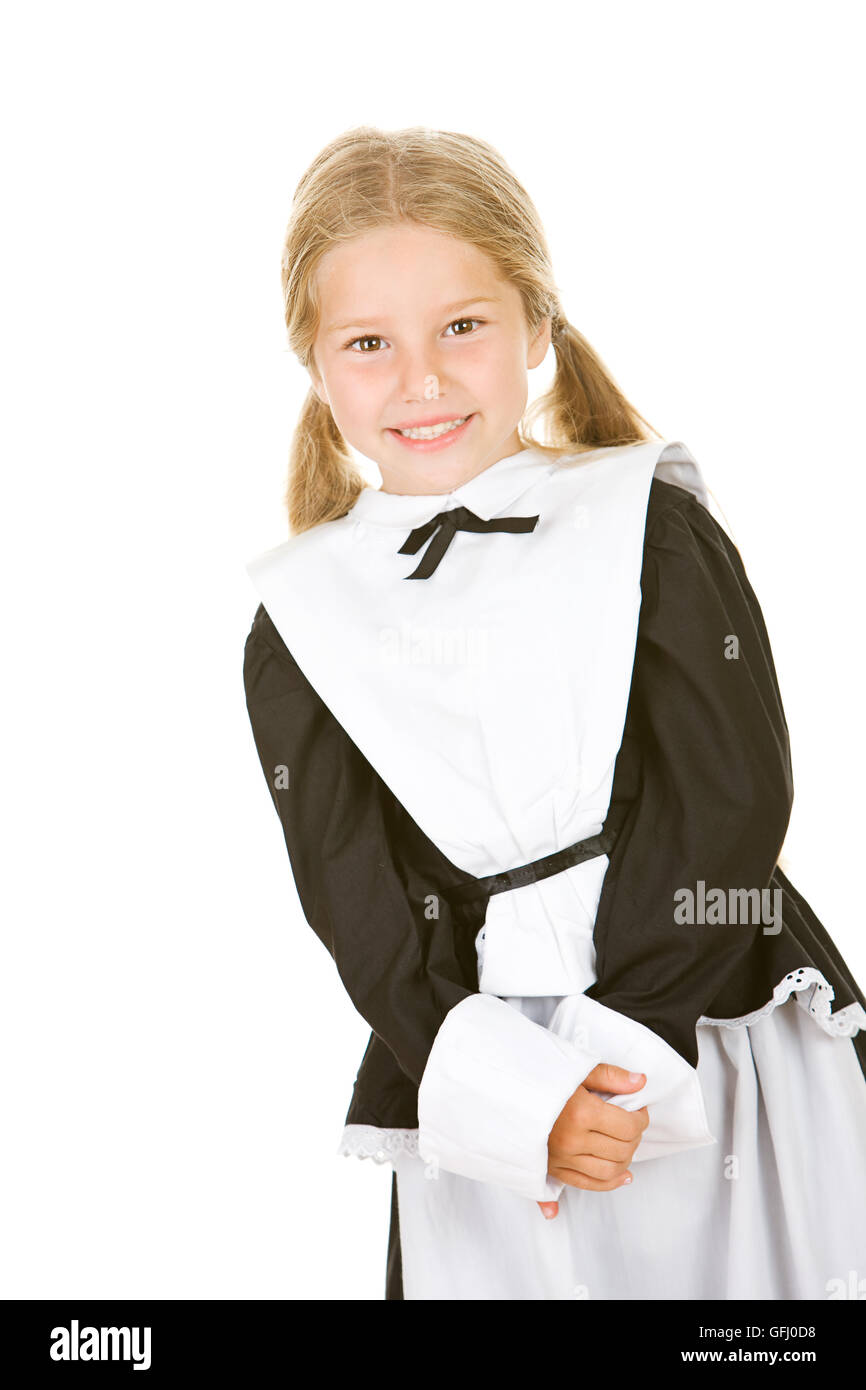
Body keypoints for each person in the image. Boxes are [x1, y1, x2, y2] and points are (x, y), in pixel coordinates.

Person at [242, 125, 866, 1300]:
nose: (420, 379)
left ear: (534, 327)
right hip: (479, 1073)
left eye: (461, 327)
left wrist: (618, 1060)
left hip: (702, 1022)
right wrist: (521, 1101)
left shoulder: (644, 519)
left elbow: (726, 801)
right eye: (369, 343)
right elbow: (357, 906)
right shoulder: (299, 616)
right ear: (317, 365)